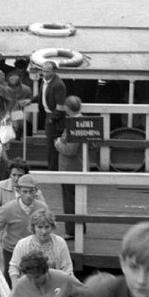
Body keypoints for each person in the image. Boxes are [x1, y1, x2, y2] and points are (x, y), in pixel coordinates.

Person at [0, 173, 45, 281]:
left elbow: (48, 229)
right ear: (18, 191)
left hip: (34, 251)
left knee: (36, 282)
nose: (28, 195)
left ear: (36, 191)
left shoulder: (42, 208)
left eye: (31, 191)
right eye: (24, 192)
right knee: (9, 281)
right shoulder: (8, 208)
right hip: (11, 251)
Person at [8, 206, 73, 284]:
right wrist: (15, 288)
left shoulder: (60, 243)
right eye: (39, 227)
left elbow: (67, 269)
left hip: (54, 286)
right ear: (33, 227)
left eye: (47, 227)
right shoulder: (22, 244)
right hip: (29, 287)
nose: (44, 231)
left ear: (52, 226)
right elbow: (14, 267)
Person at [54, 95, 87, 238]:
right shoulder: (84, 120)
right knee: (77, 198)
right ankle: (81, 226)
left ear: (67, 108)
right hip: (78, 166)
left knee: (70, 200)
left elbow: (70, 150)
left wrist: (58, 144)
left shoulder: (74, 123)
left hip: (70, 167)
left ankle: (71, 230)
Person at [39, 60, 67, 170]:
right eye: (43, 71)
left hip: (55, 120)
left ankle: (53, 170)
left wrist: (52, 119)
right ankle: (53, 168)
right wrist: (30, 100)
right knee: (51, 145)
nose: (45, 74)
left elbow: (61, 106)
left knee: (53, 146)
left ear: (54, 71)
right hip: (47, 115)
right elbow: (42, 96)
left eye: (48, 71)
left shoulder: (58, 84)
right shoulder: (44, 81)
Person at [5, 69, 33, 138]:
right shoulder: (5, 90)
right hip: (8, 113)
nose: (14, 90)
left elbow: (33, 100)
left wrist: (29, 100)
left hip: (24, 112)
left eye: (16, 87)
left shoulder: (27, 89)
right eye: (12, 88)